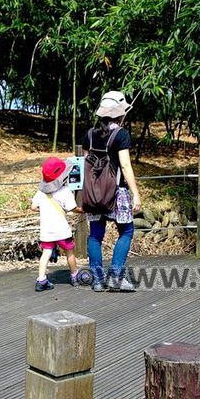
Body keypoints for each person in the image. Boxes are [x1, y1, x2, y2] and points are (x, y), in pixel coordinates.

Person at [80, 90, 142, 292]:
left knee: (96, 234)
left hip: (94, 193)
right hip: (116, 192)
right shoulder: (121, 135)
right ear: (119, 114)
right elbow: (125, 165)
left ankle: (97, 280)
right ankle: (115, 276)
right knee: (127, 230)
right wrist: (136, 193)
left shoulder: (89, 134)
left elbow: (87, 166)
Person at [30, 156, 83, 290]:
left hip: (46, 231)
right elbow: (73, 208)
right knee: (69, 252)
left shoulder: (40, 192)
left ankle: (41, 280)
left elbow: (33, 207)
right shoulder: (65, 191)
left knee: (46, 253)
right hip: (62, 230)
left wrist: (44, 209)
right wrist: (83, 210)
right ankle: (75, 276)